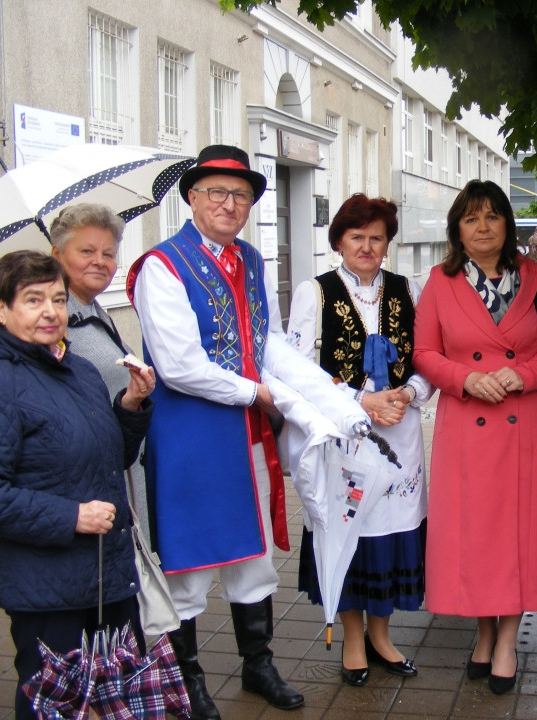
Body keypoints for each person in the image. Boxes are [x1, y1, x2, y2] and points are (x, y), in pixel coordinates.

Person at [127, 145, 363, 718]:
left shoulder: (250, 260)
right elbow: (179, 365)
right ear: (192, 197)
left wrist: (330, 393)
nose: (230, 204)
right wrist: (258, 392)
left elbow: (267, 343)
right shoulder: (162, 266)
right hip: (190, 437)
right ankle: (187, 682)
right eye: (217, 192)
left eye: (241, 196)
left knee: (253, 559)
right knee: (189, 564)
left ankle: (258, 666)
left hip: (245, 436)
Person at [0, 250, 154, 720]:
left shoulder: (79, 370)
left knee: (115, 698)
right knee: (56, 705)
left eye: (56, 297)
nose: (50, 311)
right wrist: (72, 517)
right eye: (33, 300)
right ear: (1, 310)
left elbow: (112, 461)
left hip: (105, 575)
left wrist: (131, 406)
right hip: (46, 584)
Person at [413, 180, 537, 694]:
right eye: (471, 218)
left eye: (492, 216)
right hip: (466, 423)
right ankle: (482, 633)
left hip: (522, 422)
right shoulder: (440, 280)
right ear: (458, 228)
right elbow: (425, 353)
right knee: (475, 536)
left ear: (508, 223)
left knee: (517, 535)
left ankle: (506, 640)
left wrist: (521, 375)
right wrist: (465, 379)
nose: (482, 228)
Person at [285, 194, 431, 687]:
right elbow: (297, 371)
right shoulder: (315, 292)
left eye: (376, 237)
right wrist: (360, 401)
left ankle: (382, 634)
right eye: (356, 237)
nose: (367, 246)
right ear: (339, 241)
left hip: (400, 434)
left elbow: (426, 360)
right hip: (343, 434)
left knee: (390, 534)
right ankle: (352, 639)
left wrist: (408, 393)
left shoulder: (407, 289)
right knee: (347, 531)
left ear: (388, 243)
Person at [48, 203, 150, 532]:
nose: (99, 262)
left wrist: (132, 400)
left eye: (108, 253)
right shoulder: (51, 325)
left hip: (121, 475)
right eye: (87, 250)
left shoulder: (95, 310)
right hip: (87, 499)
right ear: (57, 253)